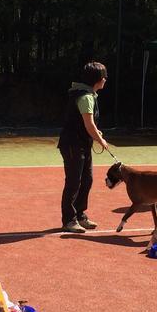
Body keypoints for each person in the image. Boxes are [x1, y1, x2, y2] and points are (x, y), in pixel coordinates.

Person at [57, 61, 111, 233]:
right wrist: (100, 140)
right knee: (74, 182)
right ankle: (69, 220)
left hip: (82, 144)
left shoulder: (89, 95)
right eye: (104, 77)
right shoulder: (86, 97)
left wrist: (97, 134)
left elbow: (89, 125)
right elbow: (89, 125)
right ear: (99, 79)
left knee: (87, 180)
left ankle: (80, 215)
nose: (105, 79)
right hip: (72, 144)